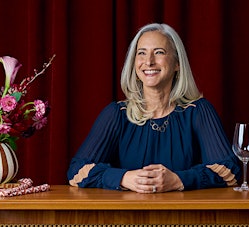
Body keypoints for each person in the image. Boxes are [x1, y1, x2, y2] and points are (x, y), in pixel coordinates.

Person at [68, 23, 240, 192]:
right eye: (141, 53)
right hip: (127, 218)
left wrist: (180, 180)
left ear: (177, 63)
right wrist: (123, 178)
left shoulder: (198, 111)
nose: (148, 62)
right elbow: (76, 172)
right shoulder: (116, 114)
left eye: (159, 52)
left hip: (186, 218)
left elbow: (231, 170)